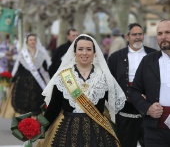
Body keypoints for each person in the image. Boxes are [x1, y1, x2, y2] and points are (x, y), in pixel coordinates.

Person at [34, 34, 126, 147]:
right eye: (80, 49)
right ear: (74, 52)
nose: (84, 53)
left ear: (94, 53)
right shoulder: (63, 76)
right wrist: (37, 129)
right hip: (67, 131)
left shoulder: (104, 77)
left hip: (98, 132)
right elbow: (54, 108)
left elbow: (115, 103)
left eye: (88, 49)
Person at [108, 23, 157, 147]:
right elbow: (109, 81)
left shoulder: (155, 55)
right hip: (124, 111)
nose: (138, 37)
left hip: (149, 108)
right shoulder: (116, 57)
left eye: (140, 34)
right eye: (134, 34)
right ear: (127, 37)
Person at [127, 19, 170, 147]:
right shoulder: (148, 61)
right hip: (155, 130)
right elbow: (133, 91)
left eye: (168, 32)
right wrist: (147, 108)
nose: (163, 37)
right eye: (160, 33)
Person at [1, 33, 51, 118]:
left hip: (37, 82)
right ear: (27, 42)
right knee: (22, 101)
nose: (32, 42)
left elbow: (45, 68)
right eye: (30, 40)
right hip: (22, 81)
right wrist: (11, 78)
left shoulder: (41, 53)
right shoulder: (23, 53)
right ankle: (22, 120)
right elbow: (17, 66)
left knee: (36, 102)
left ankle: (34, 120)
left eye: (34, 40)